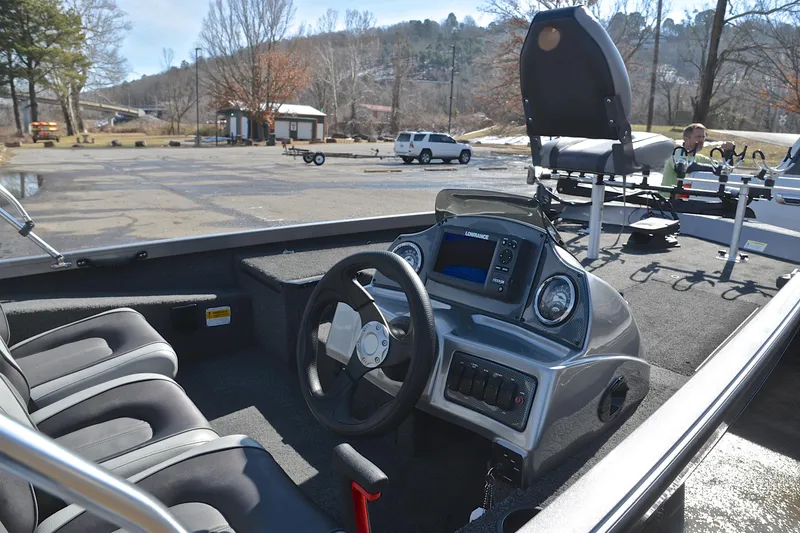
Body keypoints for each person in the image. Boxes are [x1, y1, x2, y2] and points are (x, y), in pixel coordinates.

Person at [661, 123, 734, 188]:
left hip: (688, 200)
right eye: (698, 137)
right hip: (669, 200)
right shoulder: (678, 153)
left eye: (703, 137)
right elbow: (688, 167)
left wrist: (728, 152)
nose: (702, 140)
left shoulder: (699, 158)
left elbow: (726, 169)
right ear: (686, 139)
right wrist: (714, 169)